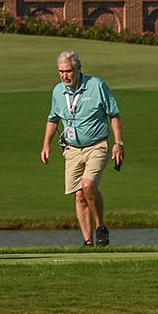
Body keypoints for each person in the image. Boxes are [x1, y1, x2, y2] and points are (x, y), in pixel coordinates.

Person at [41, 50, 124, 247]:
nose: (64, 76)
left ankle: (100, 227)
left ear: (78, 69)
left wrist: (118, 143)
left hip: (97, 145)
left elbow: (114, 114)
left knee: (88, 186)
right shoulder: (58, 91)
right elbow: (53, 119)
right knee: (79, 195)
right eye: (61, 72)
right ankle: (88, 243)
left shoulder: (96, 85)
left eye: (68, 71)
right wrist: (46, 144)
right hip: (72, 149)